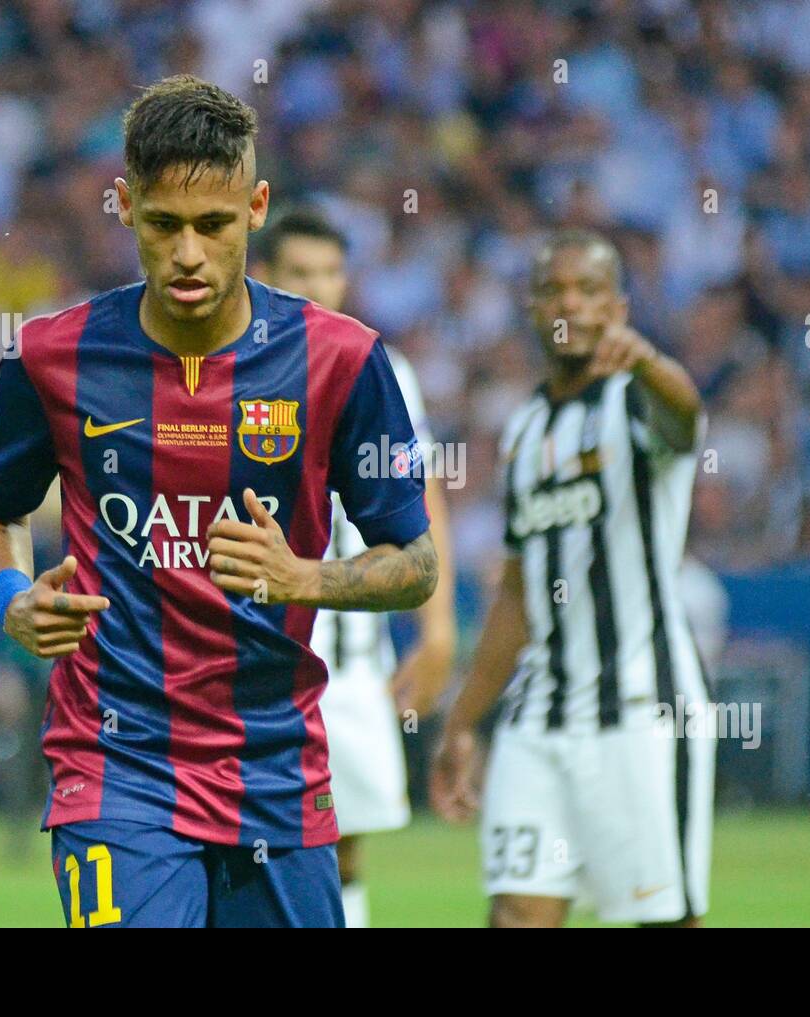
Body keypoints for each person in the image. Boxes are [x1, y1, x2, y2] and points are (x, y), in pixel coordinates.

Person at [0, 76, 438, 928]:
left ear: (256, 207)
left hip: (274, 765)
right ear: (123, 204)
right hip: (114, 762)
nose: (188, 254)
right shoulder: (50, 356)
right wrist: (10, 595)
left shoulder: (343, 361)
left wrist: (307, 578)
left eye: (213, 226)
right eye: (162, 225)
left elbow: (418, 563)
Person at [431, 229, 714, 927]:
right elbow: (519, 593)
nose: (572, 305)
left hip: (642, 709)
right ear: (532, 307)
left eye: (589, 290)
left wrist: (647, 360)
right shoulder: (524, 431)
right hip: (540, 715)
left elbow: (685, 416)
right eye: (554, 290)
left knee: (663, 918)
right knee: (515, 915)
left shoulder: (637, 401)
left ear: (617, 306)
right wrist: (463, 721)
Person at [253, 208, 457, 928]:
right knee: (252, 845)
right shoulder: (235, 358)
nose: (318, 286)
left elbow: (421, 502)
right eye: (300, 273)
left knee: (345, 848)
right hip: (255, 648)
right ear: (265, 276)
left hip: (352, 659)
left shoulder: (380, 365)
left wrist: (437, 635)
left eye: (330, 272)